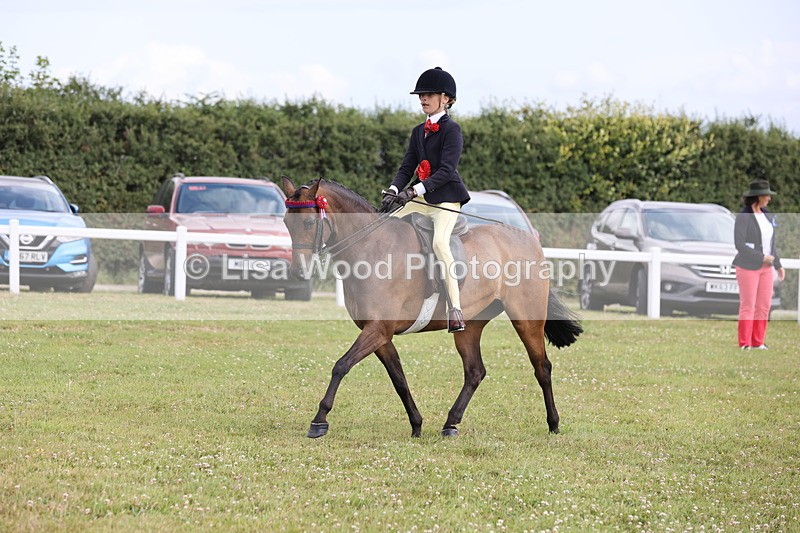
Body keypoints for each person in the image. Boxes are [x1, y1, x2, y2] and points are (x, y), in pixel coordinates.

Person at [381, 67, 471, 333]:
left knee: (440, 243)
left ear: (446, 99)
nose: (423, 98)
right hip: (420, 198)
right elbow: (407, 167)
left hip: (445, 200)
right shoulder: (418, 131)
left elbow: (445, 171)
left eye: (429, 94)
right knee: (384, 226)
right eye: (421, 94)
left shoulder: (452, 130)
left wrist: (415, 190)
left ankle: (455, 309)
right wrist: (394, 189)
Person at [732, 179, 785, 349]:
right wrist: (762, 257)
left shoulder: (767, 215)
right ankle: (744, 343)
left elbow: (771, 244)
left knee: (764, 306)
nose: (769, 198)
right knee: (748, 305)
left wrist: (777, 264)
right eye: (767, 195)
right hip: (747, 267)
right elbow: (739, 245)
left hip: (766, 269)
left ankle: (758, 342)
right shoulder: (744, 217)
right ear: (758, 197)